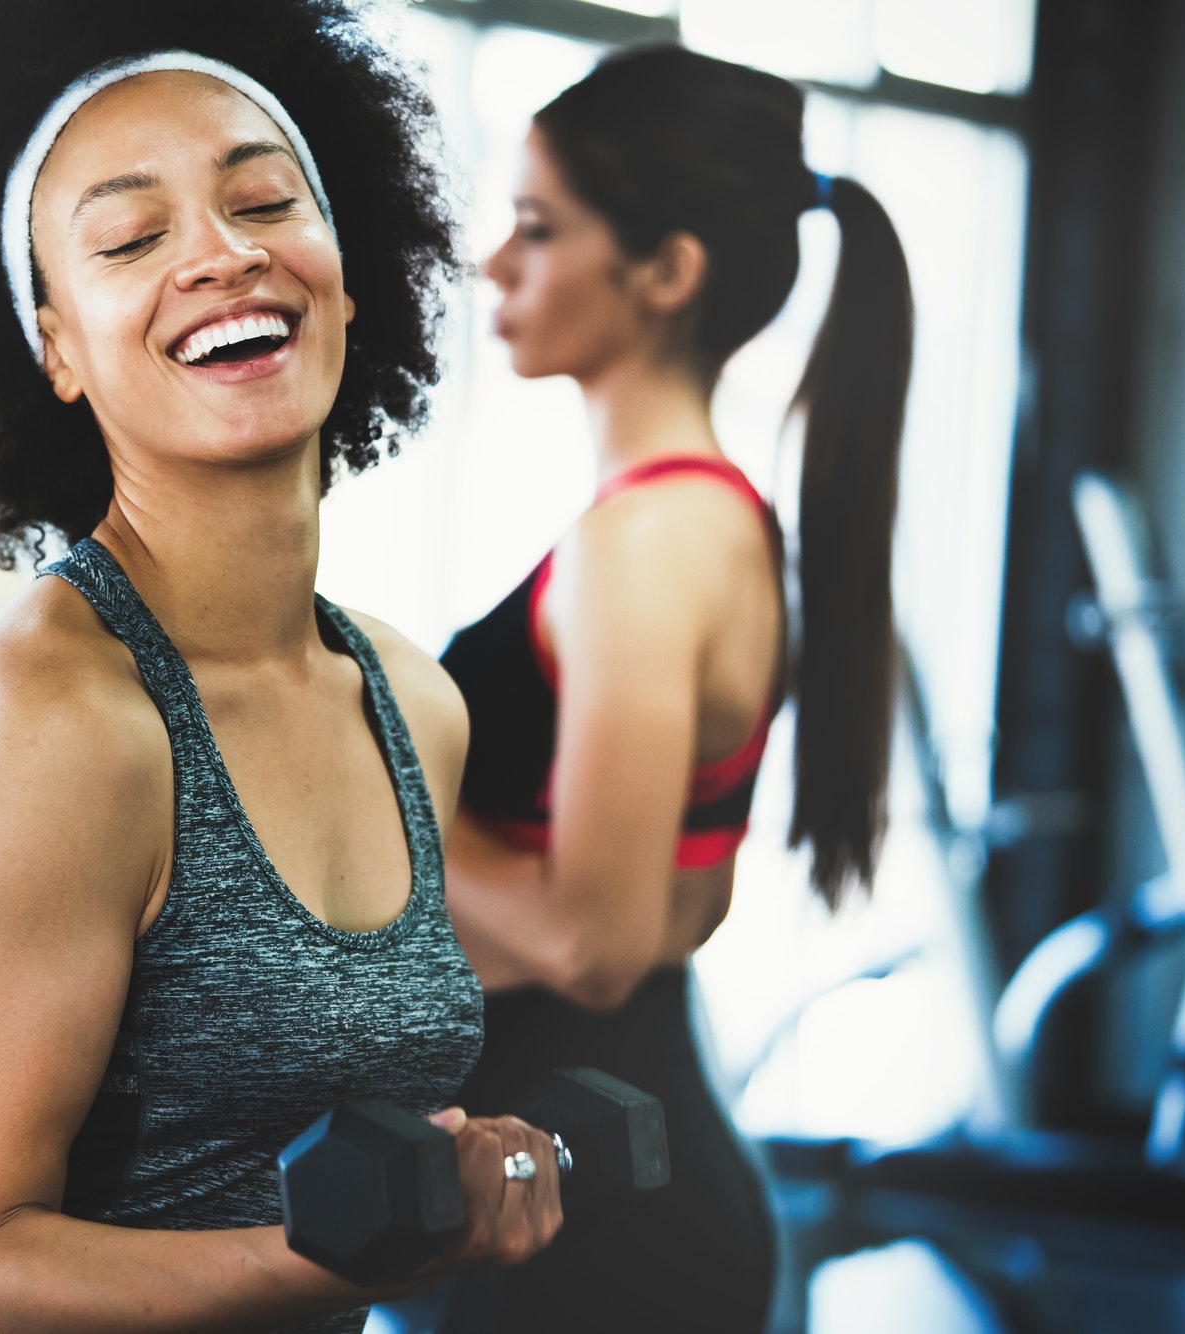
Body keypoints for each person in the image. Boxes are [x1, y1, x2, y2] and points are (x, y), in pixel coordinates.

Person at [0, 2, 564, 1331]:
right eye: (129, 236)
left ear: (347, 268)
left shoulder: (413, 703)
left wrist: (458, 1169)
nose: (222, 256)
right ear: (54, 344)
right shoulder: (52, 717)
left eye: (267, 200)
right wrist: (343, 1255)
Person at [435, 44, 915, 1332]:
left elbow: (593, 948)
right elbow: (671, 909)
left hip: (592, 1226)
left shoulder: (647, 549)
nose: (497, 262)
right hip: (589, 1174)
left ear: (666, 270)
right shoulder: (708, 524)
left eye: (539, 229)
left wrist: (361, 803)